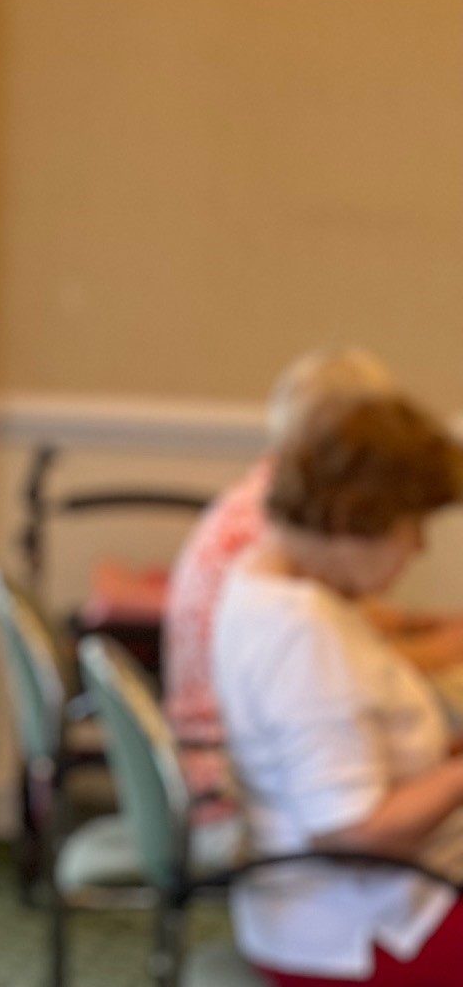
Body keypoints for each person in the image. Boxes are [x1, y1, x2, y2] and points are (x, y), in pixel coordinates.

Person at [213, 393, 463, 985]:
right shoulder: (302, 632)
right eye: (412, 527)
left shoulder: (262, 576)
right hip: (364, 934)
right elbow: (354, 835)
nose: (420, 548)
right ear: (354, 523)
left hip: (311, 909)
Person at [163, 349, 463, 800]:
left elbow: (354, 632)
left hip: (251, 764)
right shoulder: (281, 569)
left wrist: (424, 625)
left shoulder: (275, 527)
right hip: (228, 786)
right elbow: (333, 665)